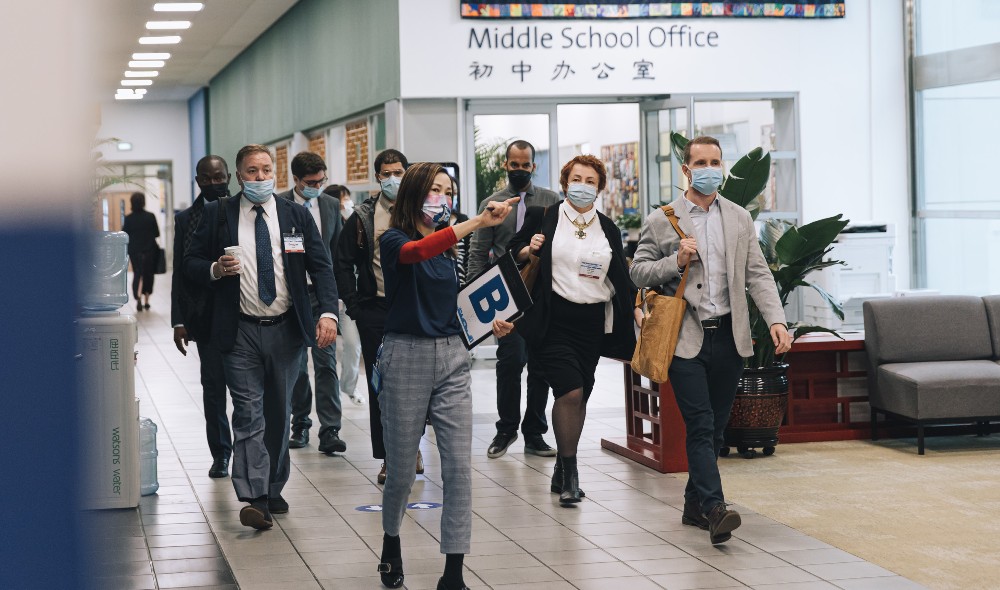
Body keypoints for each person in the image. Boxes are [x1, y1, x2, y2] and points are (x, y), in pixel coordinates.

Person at [630, 136, 791, 544]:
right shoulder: (662, 219)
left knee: (717, 429)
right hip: (685, 339)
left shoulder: (738, 217)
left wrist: (776, 319)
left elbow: (757, 274)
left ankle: (692, 505)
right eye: (700, 162)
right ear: (686, 170)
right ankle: (716, 508)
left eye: (714, 161)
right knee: (700, 425)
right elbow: (638, 272)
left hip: (730, 338)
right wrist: (676, 260)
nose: (708, 169)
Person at [376, 162, 517, 590]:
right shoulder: (394, 239)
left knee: (458, 467)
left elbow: (453, 304)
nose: (441, 198)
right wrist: (478, 221)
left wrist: (485, 323)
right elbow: (417, 254)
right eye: (433, 190)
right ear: (414, 194)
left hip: (453, 358)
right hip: (405, 356)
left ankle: (453, 573)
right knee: (401, 469)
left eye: (447, 191)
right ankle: (391, 541)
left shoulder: (450, 249)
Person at [185, 144, 339, 530]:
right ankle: (254, 496)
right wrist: (216, 269)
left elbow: (321, 268)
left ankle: (272, 486)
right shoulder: (218, 213)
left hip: (285, 329)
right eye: (252, 171)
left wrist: (327, 313)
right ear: (239, 177)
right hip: (238, 330)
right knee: (248, 412)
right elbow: (189, 263)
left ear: (276, 173)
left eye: (266, 170)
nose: (260, 177)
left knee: (277, 411)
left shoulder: (295, 215)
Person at [505, 154, 638, 507]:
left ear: (599, 188)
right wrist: (526, 248)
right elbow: (510, 250)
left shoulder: (607, 227)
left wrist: (637, 307)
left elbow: (620, 276)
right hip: (553, 319)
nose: (583, 185)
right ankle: (571, 475)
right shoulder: (544, 216)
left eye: (591, 181)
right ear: (565, 183)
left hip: (592, 322)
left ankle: (560, 471)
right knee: (571, 392)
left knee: (581, 393)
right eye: (576, 178)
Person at [468, 140, 561, 459]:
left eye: (526, 165)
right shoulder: (491, 203)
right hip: (505, 294)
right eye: (514, 164)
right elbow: (479, 253)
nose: (520, 170)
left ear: (534, 166)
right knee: (510, 363)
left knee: (541, 366)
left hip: (542, 294)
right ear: (505, 165)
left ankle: (534, 433)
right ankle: (505, 429)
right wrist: (471, 300)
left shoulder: (552, 200)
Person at [335, 149, 423, 484]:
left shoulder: (423, 211)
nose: (393, 179)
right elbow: (341, 262)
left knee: (416, 385)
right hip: (377, 310)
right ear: (377, 177)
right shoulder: (363, 216)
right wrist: (355, 305)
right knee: (381, 385)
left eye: (399, 171)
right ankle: (388, 456)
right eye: (386, 173)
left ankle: (412, 448)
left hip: (416, 309)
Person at [279, 151, 346, 455]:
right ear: (296, 180)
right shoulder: (280, 205)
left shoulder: (330, 205)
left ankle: (330, 429)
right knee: (297, 366)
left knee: (326, 362)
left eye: (321, 180)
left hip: (322, 295)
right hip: (292, 295)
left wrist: (338, 297)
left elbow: (338, 255)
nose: (317, 186)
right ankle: (301, 423)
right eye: (311, 182)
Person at [170, 155, 234, 478]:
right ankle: (221, 453)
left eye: (218, 177)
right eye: (206, 179)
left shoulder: (243, 212)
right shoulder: (186, 220)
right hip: (205, 315)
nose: (213, 184)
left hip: (244, 312)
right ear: (198, 181)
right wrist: (178, 320)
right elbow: (180, 273)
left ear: (229, 177)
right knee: (213, 388)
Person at [325, 183, 365, 406]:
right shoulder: (326, 226)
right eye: (342, 200)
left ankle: (348, 386)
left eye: (348, 198)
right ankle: (329, 391)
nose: (346, 203)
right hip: (330, 296)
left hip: (350, 295)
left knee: (352, 343)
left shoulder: (357, 224)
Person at [122, 191, 160, 312]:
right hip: (149, 250)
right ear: (143, 202)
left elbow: (125, 234)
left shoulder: (128, 218)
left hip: (134, 251)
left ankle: (137, 297)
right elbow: (157, 233)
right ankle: (147, 300)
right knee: (148, 274)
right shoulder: (150, 216)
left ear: (132, 203)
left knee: (138, 273)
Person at [444, 176, 471, 287]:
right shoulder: (429, 225)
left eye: (451, 193)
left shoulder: (464, 221)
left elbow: (470, 258)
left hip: (461, 287)